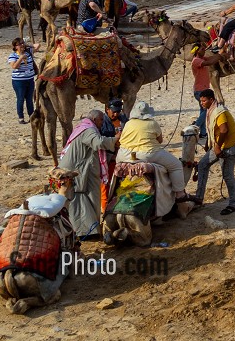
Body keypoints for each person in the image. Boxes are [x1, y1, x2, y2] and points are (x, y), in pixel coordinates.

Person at [117, 101, 187, 207]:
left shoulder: (128, 123)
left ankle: (111, 194)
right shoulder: (152, 123)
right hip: (146, 153)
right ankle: (179, 193)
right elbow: (160, 140)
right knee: (176, 165)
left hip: (124, 154)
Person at [59, 110, 116, 238]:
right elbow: (98, 143)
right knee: (80, 200)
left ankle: (91, 230)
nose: (102, 123)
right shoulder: (88, 130)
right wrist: (114, 139)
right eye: (101, 120)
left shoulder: (86, 128)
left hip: (83, 170)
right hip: (76, 172)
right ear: (95, 119)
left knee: (90, 198)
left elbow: (92, 152)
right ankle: (85, 232)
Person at [195, 90, 235, 213]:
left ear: (211, 100)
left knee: (227, 174)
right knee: (202, 165)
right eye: (201, 101)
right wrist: (208, 144)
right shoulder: (211, 110)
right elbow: (212, 129)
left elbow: (224, 130)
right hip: (219, 145)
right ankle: (198, 198)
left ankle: (233, 204)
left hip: (231, 146)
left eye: (204, 101)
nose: (202, 103)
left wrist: (217, 147)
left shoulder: (219, 112)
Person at [190, 46, 221, 141]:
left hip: (203, 89)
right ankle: (196, 126)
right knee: (207, 110)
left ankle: (203, 133)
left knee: (203, 111)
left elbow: (211, 59)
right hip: (200, 90)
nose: (204, 50)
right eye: (202, 49)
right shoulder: (196, 60)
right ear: (196, 51)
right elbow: (209, 62)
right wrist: (221, 56)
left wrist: (220, 54)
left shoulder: (202, 58)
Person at [8, 38, 37, 123]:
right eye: (19, 44)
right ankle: (21, 117)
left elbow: (37, 45)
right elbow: (14, 66)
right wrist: (20, 58)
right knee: (20, 99)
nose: (22, 45)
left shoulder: (28, 53)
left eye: (22, 43)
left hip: (30, 79)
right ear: (15, 47)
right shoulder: (13, 55)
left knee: (29, 99)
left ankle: (31, 116)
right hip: (19, 81)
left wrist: (27, 45)